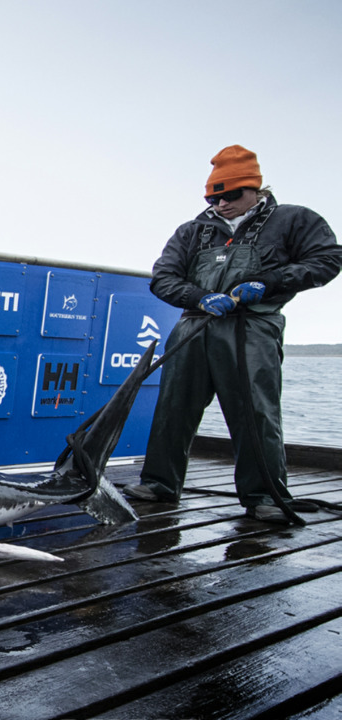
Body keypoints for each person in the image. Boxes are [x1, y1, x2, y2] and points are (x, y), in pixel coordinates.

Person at [125, 145, 342, 523]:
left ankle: (264, 495)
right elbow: (163, 278)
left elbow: (327, 259)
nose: (221, 203)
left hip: (252, 327)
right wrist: (199, 296)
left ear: (255, 189)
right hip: (195, 325)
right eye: (213, 196)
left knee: (255, 412)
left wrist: (270, 282)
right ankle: (160, 483)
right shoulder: (193, 231)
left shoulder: (293, 220)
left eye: (230, 195)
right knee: (173, 407)